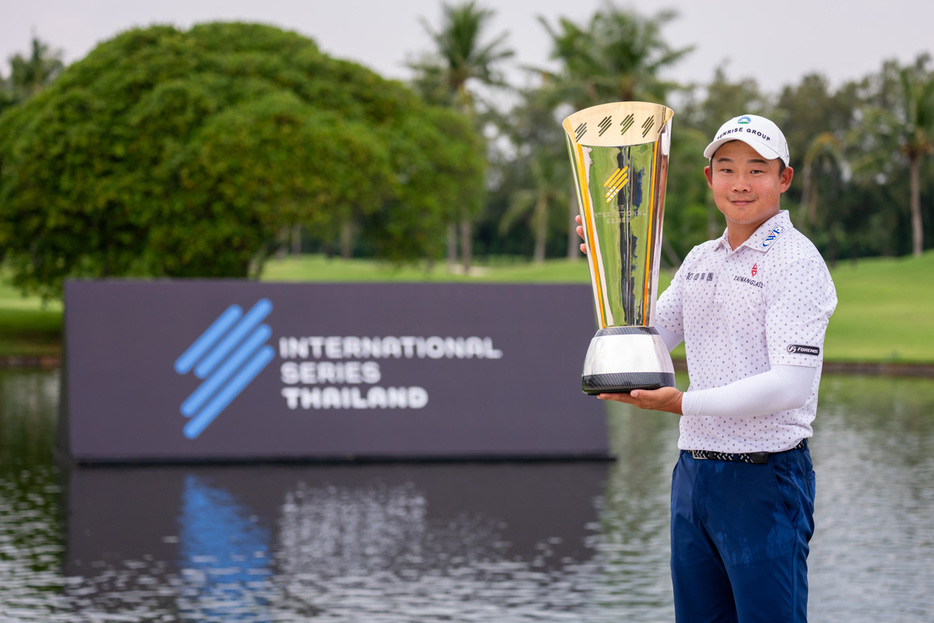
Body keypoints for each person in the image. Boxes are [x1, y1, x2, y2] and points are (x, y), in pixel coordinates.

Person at [577, 114, 837, 622]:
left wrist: (680, 402)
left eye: (757, 170)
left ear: (784, 178)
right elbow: (648, 337)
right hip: (694, 477)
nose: (740, 183)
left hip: (764, 478)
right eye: (726, 168)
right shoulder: (701, 258)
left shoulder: (796, 261)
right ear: (709, 178)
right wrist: (611, 265)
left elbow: (790, 385)